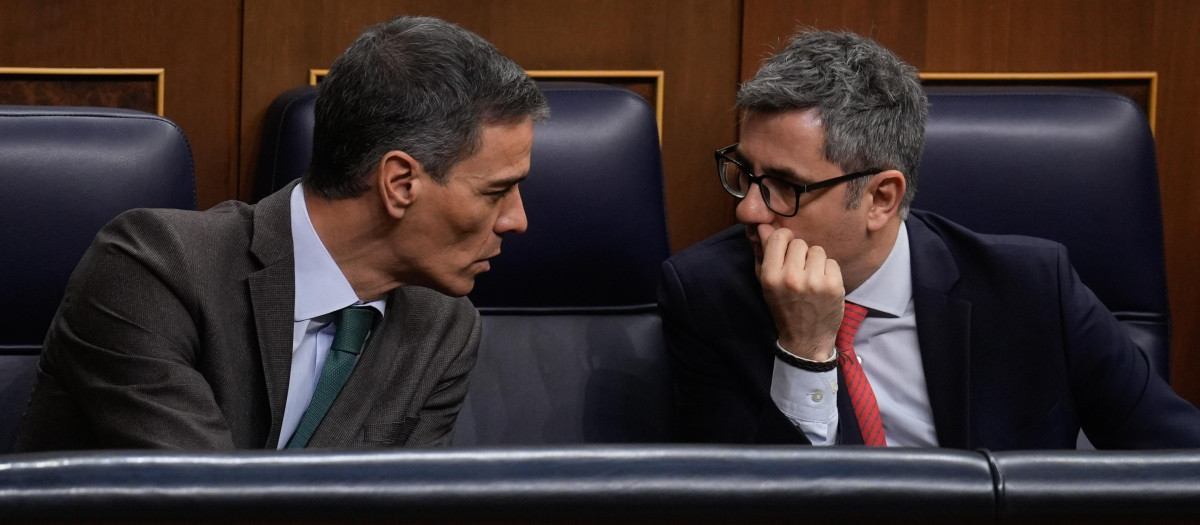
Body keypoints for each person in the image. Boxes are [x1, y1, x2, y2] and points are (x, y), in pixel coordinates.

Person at [16, 16, 548, 450]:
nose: (516, 219)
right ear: (400, 183)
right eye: (495, 192)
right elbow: (204, 507)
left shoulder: (443, 328)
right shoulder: (154, 268)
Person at [659, 29, 1200, 449]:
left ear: (881, 199)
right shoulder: (709, 295)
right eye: (745, 172)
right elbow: (739, 503)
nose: (747, 209)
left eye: (784, 186)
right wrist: (804, 353)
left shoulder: (1032, 289)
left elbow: (1176, 464)